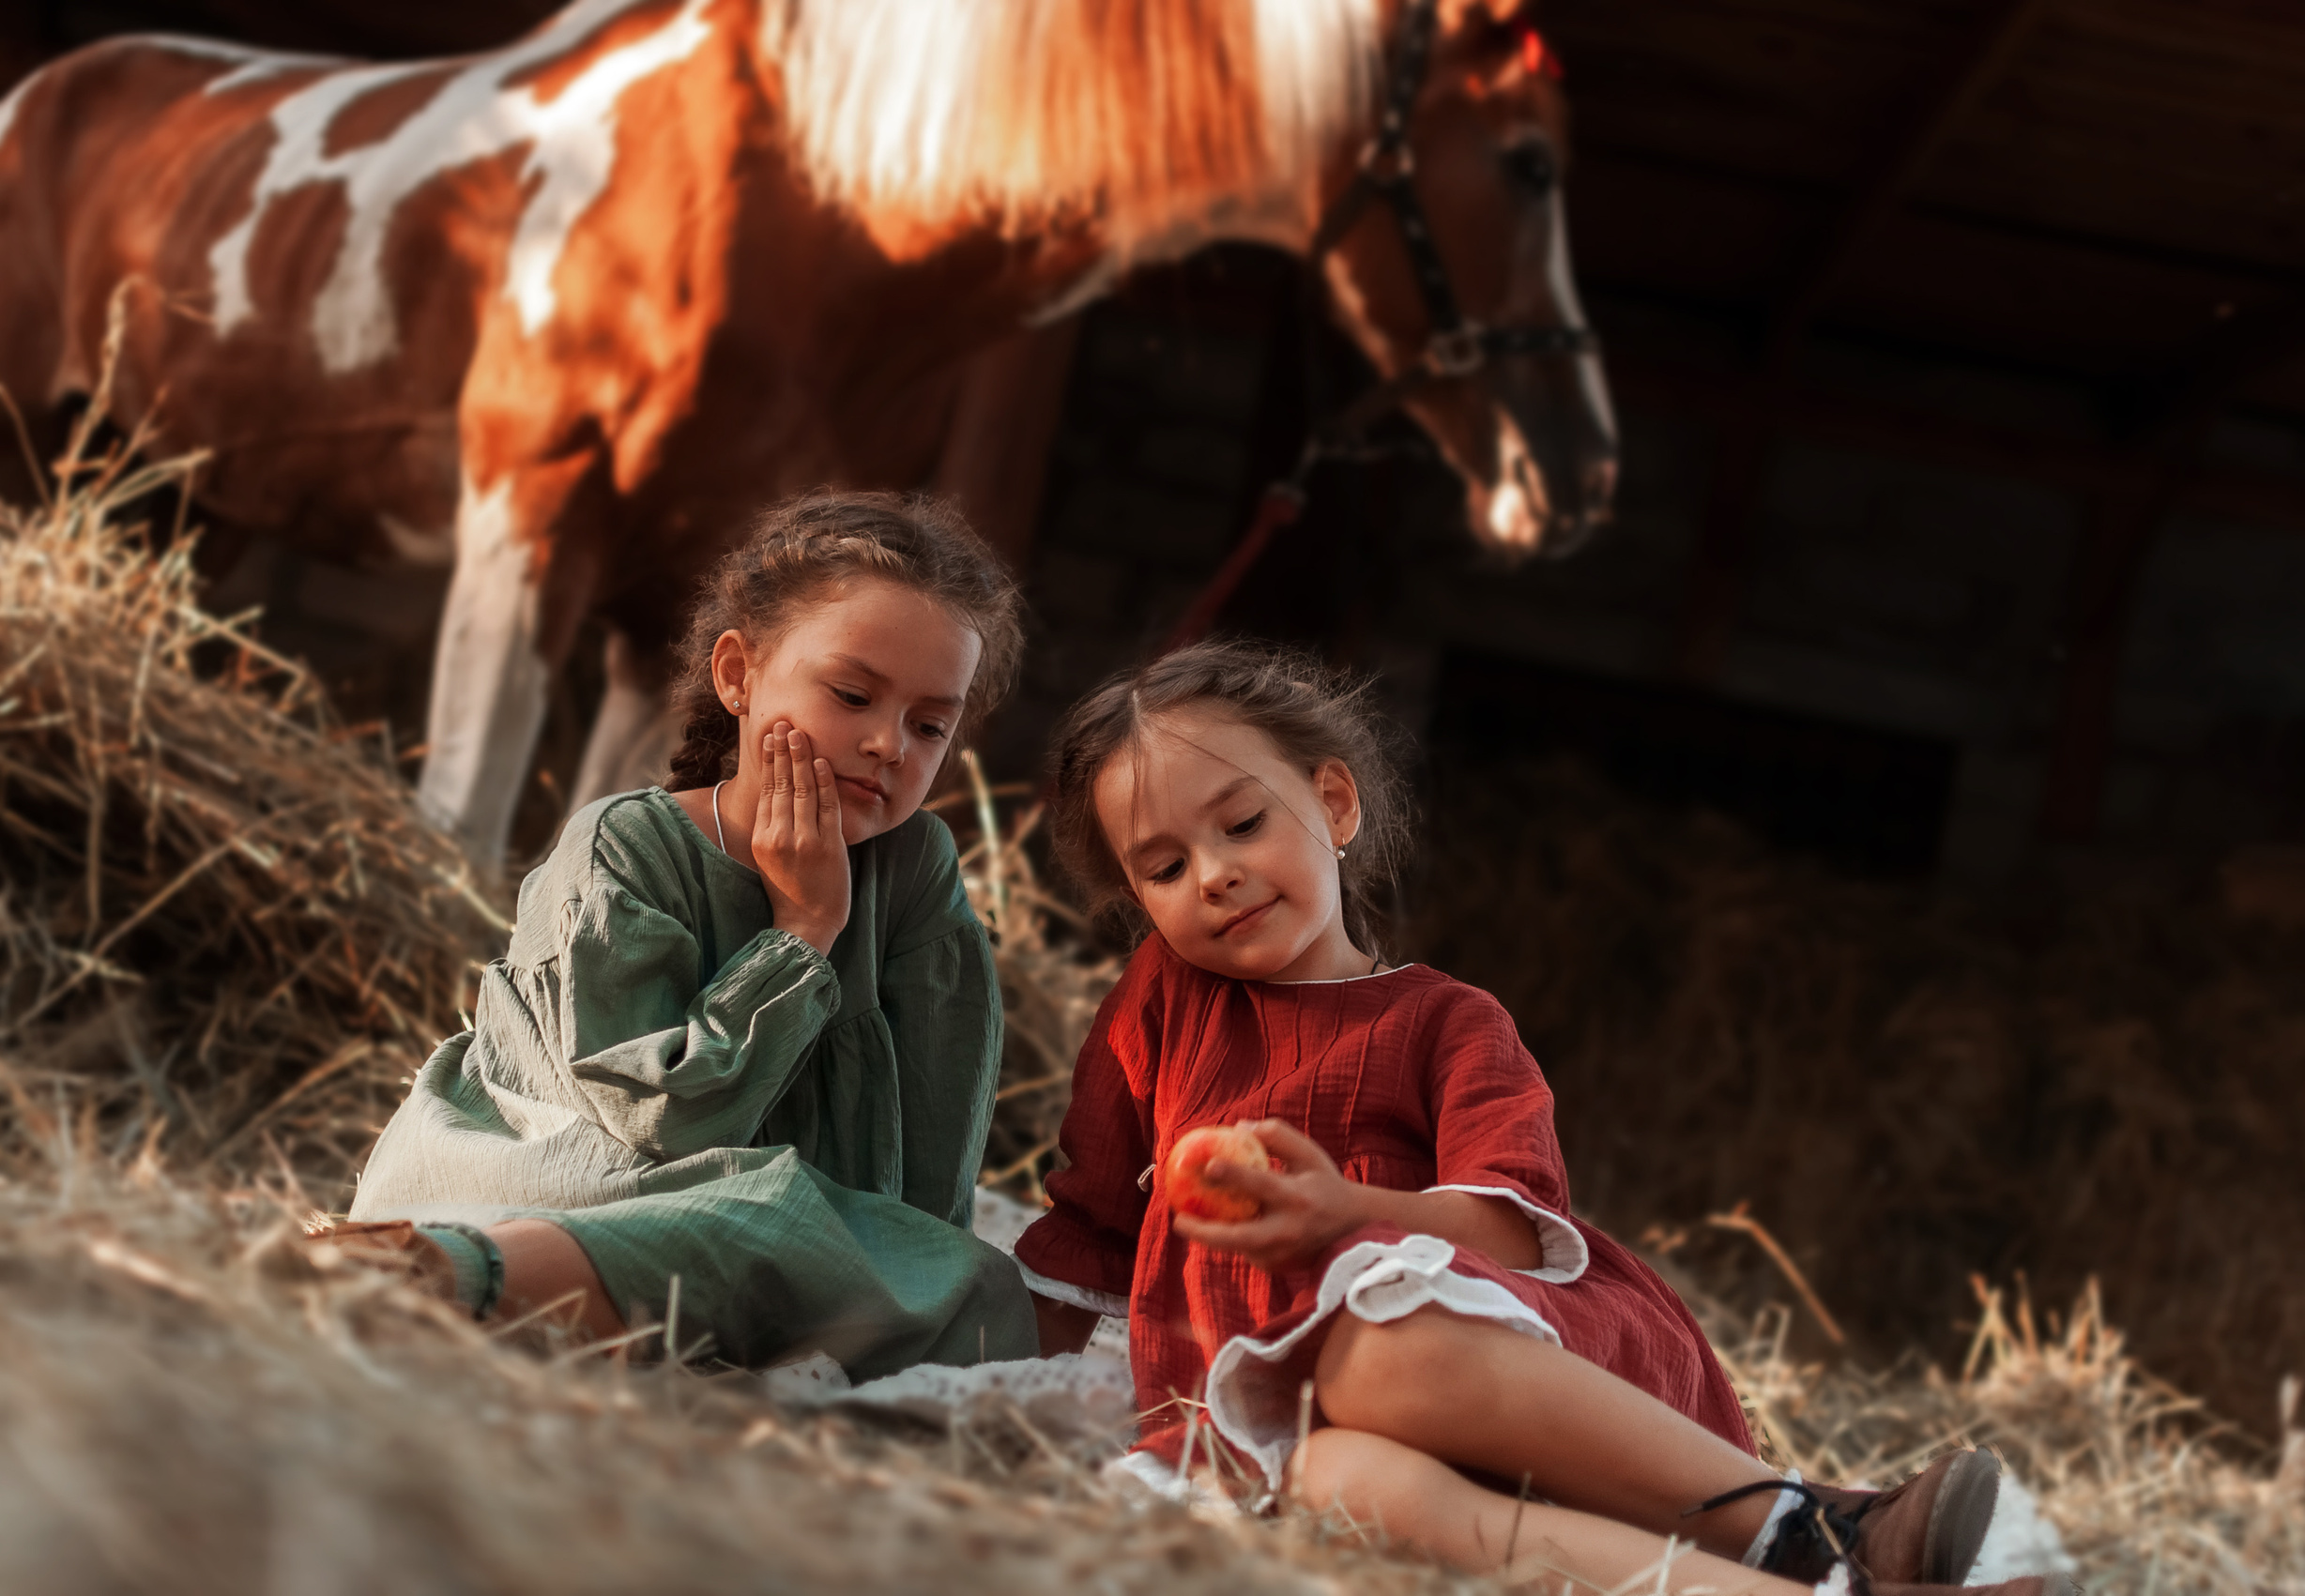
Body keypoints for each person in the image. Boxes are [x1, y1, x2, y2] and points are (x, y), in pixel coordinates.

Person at [1012, 639, 2070, 1596]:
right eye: (1164, 866)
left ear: (1333, 803)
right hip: (1281, 1421)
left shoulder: (1445, 1022)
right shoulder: (1165, 999)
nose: (1217, 873)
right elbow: (1095, 1223)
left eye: (1241, 823)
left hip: (1491, 1373)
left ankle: (1822, 1520)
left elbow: (1514, 1229)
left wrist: (1340, 1211)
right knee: (1342, 1486)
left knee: (1378, 1354)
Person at [338, 490, 1037, 1377]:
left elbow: (937, 1146)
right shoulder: (620, 846)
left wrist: (903, 1271)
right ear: (739, 675)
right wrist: (805, 927)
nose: (888, 744)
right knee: (761, 1215)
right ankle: (430, 1274)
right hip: (551, 1176)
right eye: (853, 694)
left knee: (972, 1287)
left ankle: (642, 1297)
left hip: (770, 1226)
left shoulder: (914, 867)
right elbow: (656, 1121)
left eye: (930, 724)